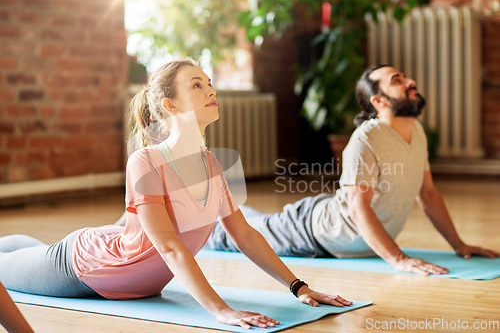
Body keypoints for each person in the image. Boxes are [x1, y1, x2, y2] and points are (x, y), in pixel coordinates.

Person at [0, 58, 352, 330]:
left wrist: (299, 287)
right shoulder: (145, 162)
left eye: (210, 83)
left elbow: (243, 234)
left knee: (26, 248)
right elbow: (169, 248)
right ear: (170, 105)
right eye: (197, 85)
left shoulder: (213, 164)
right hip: (83, 268)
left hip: (125, 266)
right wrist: (222, 310)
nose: (211, 90)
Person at [206, 64, 500, 276]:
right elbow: (359, 209)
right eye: (398, 80)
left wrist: (459, 244)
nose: (410, 81)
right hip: (315, 232)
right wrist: (398, 259)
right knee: (229, 237)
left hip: (336, 225)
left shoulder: (418, 133)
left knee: (255, 222)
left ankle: (224, 209)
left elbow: (428, 194)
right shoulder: (365, 139)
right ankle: (195, 219)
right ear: (379, 101)